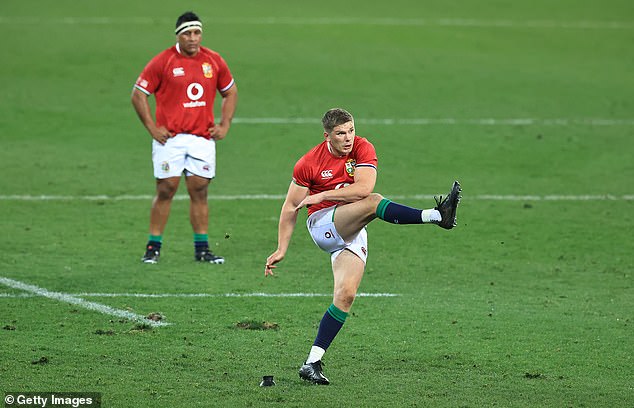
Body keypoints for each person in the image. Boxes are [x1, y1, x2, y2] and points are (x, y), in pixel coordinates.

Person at [264, 108, 461, 385]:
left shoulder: (362, 147)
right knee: (374, 202)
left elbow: (362, 188)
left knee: (345, 295)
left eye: (351, 130)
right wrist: (282, 247)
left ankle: (311, 362)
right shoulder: (308, 163)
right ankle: (437, 216)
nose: (348, 138)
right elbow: (290, 207)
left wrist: (322, 193)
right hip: (323, 225)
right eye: (340, 133)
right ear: (327, 136)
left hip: (352, 225)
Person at [132, 11, 238, 264]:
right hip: (170, 139)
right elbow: (138, 94)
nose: (193, 38)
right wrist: (152, 128)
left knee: (199, 190)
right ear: (178, 36)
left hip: (201, 138)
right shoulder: (163, 61)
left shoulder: (213, 61)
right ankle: (152, 246)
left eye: (197, 33)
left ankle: (202, 249)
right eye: (188, 33)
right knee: (166, 188)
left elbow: (230, 91)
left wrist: (225, 124)